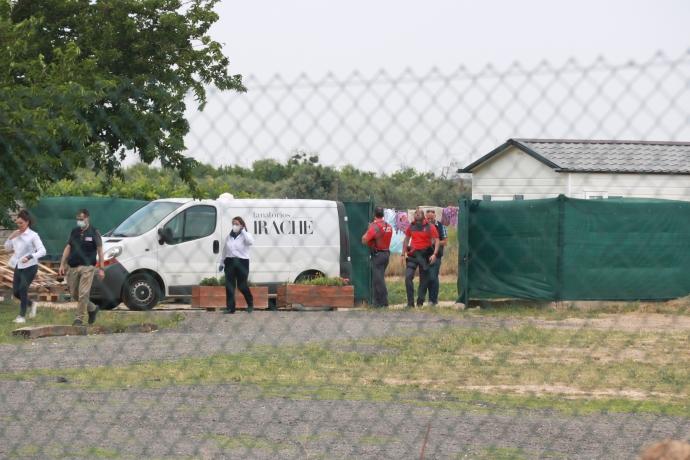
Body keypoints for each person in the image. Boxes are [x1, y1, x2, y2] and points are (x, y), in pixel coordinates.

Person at [58, 209, 105, 326]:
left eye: (81, 219)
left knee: (83, 293)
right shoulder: (74, 231)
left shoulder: (94, 232)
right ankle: (92, 308)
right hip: (73, 267)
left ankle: (78, 319)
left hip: (87, 267)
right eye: (78, 219)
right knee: (75, 293)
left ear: (87, 218)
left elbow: (100, 251)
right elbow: (68, 247)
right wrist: (62, 264)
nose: (79, 221)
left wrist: (102, 269)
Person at [4, 210, 46, 324]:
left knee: (23, 288)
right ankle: (32, 304)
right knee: (16, 293)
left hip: (30, 266)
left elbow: (43, 251)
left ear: (27, 222)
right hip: (19, 266)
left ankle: (21, 316)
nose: (19, 225)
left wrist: (30, 256)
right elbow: (7, 248)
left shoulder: (33, 235)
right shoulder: (16, 234)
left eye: (21, 223)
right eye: (17, 223)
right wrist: (10, 237)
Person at [402, 209, 439, 307]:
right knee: (408, 277)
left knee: (424, 280)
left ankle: (420, 302)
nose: (417, 215)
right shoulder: (411, 226)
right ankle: (410, 303)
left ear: (423, 216)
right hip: (413, 255)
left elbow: (437, 240)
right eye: (416, 214)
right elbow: (406, 239)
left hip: (425, 256)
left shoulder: (430, 227)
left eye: (419, 214)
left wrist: (434, 254)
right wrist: (403, 253)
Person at [219, 216, 254, 314]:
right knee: (229, 285)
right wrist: (222, 262)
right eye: (233, 224)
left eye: (237, 224)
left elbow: (250, 242)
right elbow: (225, 250)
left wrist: (243, 231)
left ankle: (250, 303)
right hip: (229, 261)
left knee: (242, 285)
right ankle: (230, 308)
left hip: (242, 262)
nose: (234, 226)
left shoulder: (246, 235)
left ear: (241, 225)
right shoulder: (229, 236)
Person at [361, 206, 393, 307]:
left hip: (378, 255)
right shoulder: (388, 226)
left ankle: (383, 302)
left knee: (378, 280)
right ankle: (377, 302)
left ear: (374, 215)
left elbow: (364, 240)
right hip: (386, 253)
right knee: (379, 278)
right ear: (383, 214)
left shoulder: (374, 226)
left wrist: (368, 229)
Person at [420, 208, 447, 306]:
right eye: (428, 218)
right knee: (425, 278)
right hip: (424, 256)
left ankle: (433, 300)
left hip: (436, 255)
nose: (430, 220)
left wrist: (436, 242)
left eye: (431, 218)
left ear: (435, 216)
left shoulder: (441, 226)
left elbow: (445, 241)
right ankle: (425, 300)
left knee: (433, 277)